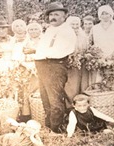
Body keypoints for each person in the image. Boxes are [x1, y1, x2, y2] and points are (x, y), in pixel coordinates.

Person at [28, 2, 76, 134]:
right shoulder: (50, 29)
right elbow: (44, 48)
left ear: (65, 16)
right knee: (45, 98)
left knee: (55, 100)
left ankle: (56, 130)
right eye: (51, 14)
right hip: (43, 66)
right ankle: (49, 128)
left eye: (56, 14)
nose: (53, 17)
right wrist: (35, 51)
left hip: (55, 66)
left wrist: (42, 54)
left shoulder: (67, 31)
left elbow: (62, 51)